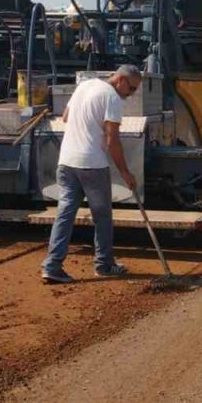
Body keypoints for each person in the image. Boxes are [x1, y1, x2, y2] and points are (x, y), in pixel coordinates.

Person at [41, 64, 142, 284]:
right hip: (92, 165)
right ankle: (104, 265)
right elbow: (111, 139)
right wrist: (125, 172)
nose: (130, 94)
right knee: (102, 216)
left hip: (67, 161)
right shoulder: (112, 98)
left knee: (65, 213)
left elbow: (66, 116)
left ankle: (52, 265)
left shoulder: (85, 85)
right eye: (132, 89)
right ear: (121, 81)